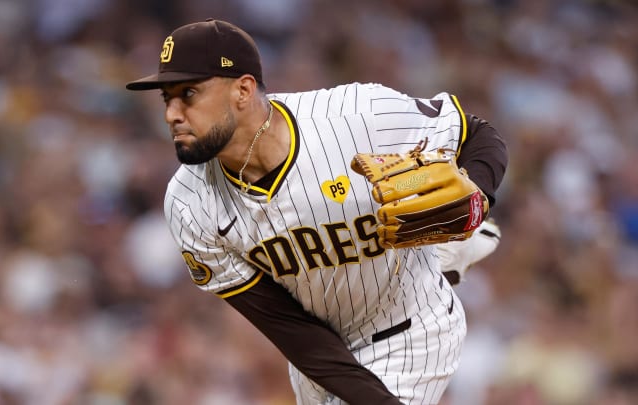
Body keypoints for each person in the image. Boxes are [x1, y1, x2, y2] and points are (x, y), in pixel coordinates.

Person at [126, 19, 507, 405]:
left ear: (242, 90)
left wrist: (478, 194)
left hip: (410, 327)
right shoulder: (188, 203)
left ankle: (444, 255)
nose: (172, 114)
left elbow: (474, 133)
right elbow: (291, 328)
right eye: (166, 98)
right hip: (320, 356)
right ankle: (443, 256)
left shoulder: (354, 116)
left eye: (188, 93)